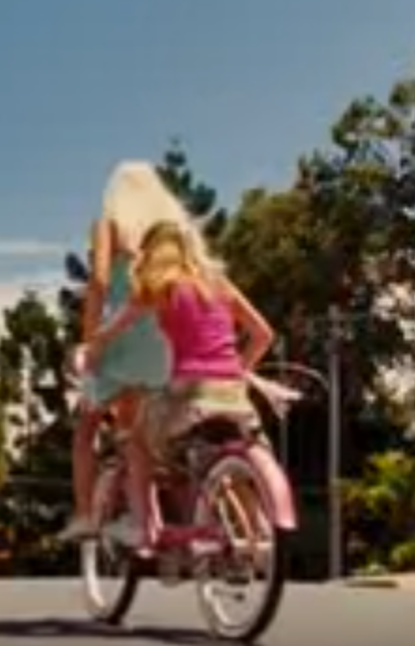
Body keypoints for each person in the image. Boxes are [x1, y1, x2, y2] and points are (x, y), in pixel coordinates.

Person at [83, 220, 277, 549]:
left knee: (135, 440)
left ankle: (144, 528)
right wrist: (239, 371)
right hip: (235, 398)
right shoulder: (219, 284)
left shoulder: (159, 287)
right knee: (232, 447)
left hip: (189, 396)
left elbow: (108, 333)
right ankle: (257, 534)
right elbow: (263, 335)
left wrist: (89, 353)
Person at [57, 160, 190, 544]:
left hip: (120, 335)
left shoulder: (108, 226)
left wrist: (90, 341)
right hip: (160, 342)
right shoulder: (167, 232)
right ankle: (145, 519)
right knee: (134, 431)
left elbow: (99, 281)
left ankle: (85, 515)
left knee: (86, 427)